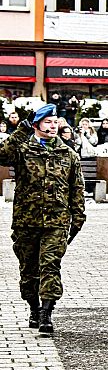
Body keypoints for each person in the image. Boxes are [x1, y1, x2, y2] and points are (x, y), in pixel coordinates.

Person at [0, 104, 86, 333]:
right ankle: (34, 308)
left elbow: (76, 188)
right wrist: (21, 130)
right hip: (26, 221)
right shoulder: (23, 150)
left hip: (56, 222)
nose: (53, 126)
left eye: (55, 121)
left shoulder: (68, 154)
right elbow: (2, 155)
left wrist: (78, 218)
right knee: (29, 270)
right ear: (36, 124)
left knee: (50, 265)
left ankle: (47, 312)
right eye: (47, 122)